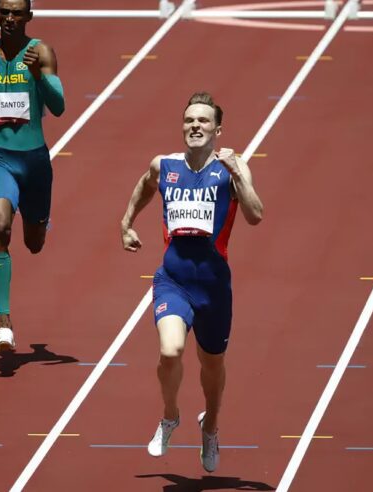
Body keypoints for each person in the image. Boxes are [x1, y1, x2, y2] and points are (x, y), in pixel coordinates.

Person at [120, 92, 263, 472]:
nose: (195, 126)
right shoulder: (164, 165)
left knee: (211, 365)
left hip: (214, 288)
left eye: (203, 121)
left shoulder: (231, 167)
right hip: (173, 280)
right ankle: (170, 417)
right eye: (189, 120)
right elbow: (145, 184)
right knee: (170, 352)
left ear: (218, 128)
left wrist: (236, 173)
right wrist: (127, 222)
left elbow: (256, 215)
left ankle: (211, 426)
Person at [0, 0, 64, 353]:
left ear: (28, 17)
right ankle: (4, 325)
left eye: (16, 12)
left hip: (35, 164)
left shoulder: (41, 52)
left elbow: (60, 106)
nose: (8, 18)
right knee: (0, 226)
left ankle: (39, 220)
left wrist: (37, 76)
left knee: (33, 244)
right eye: (3, 11)